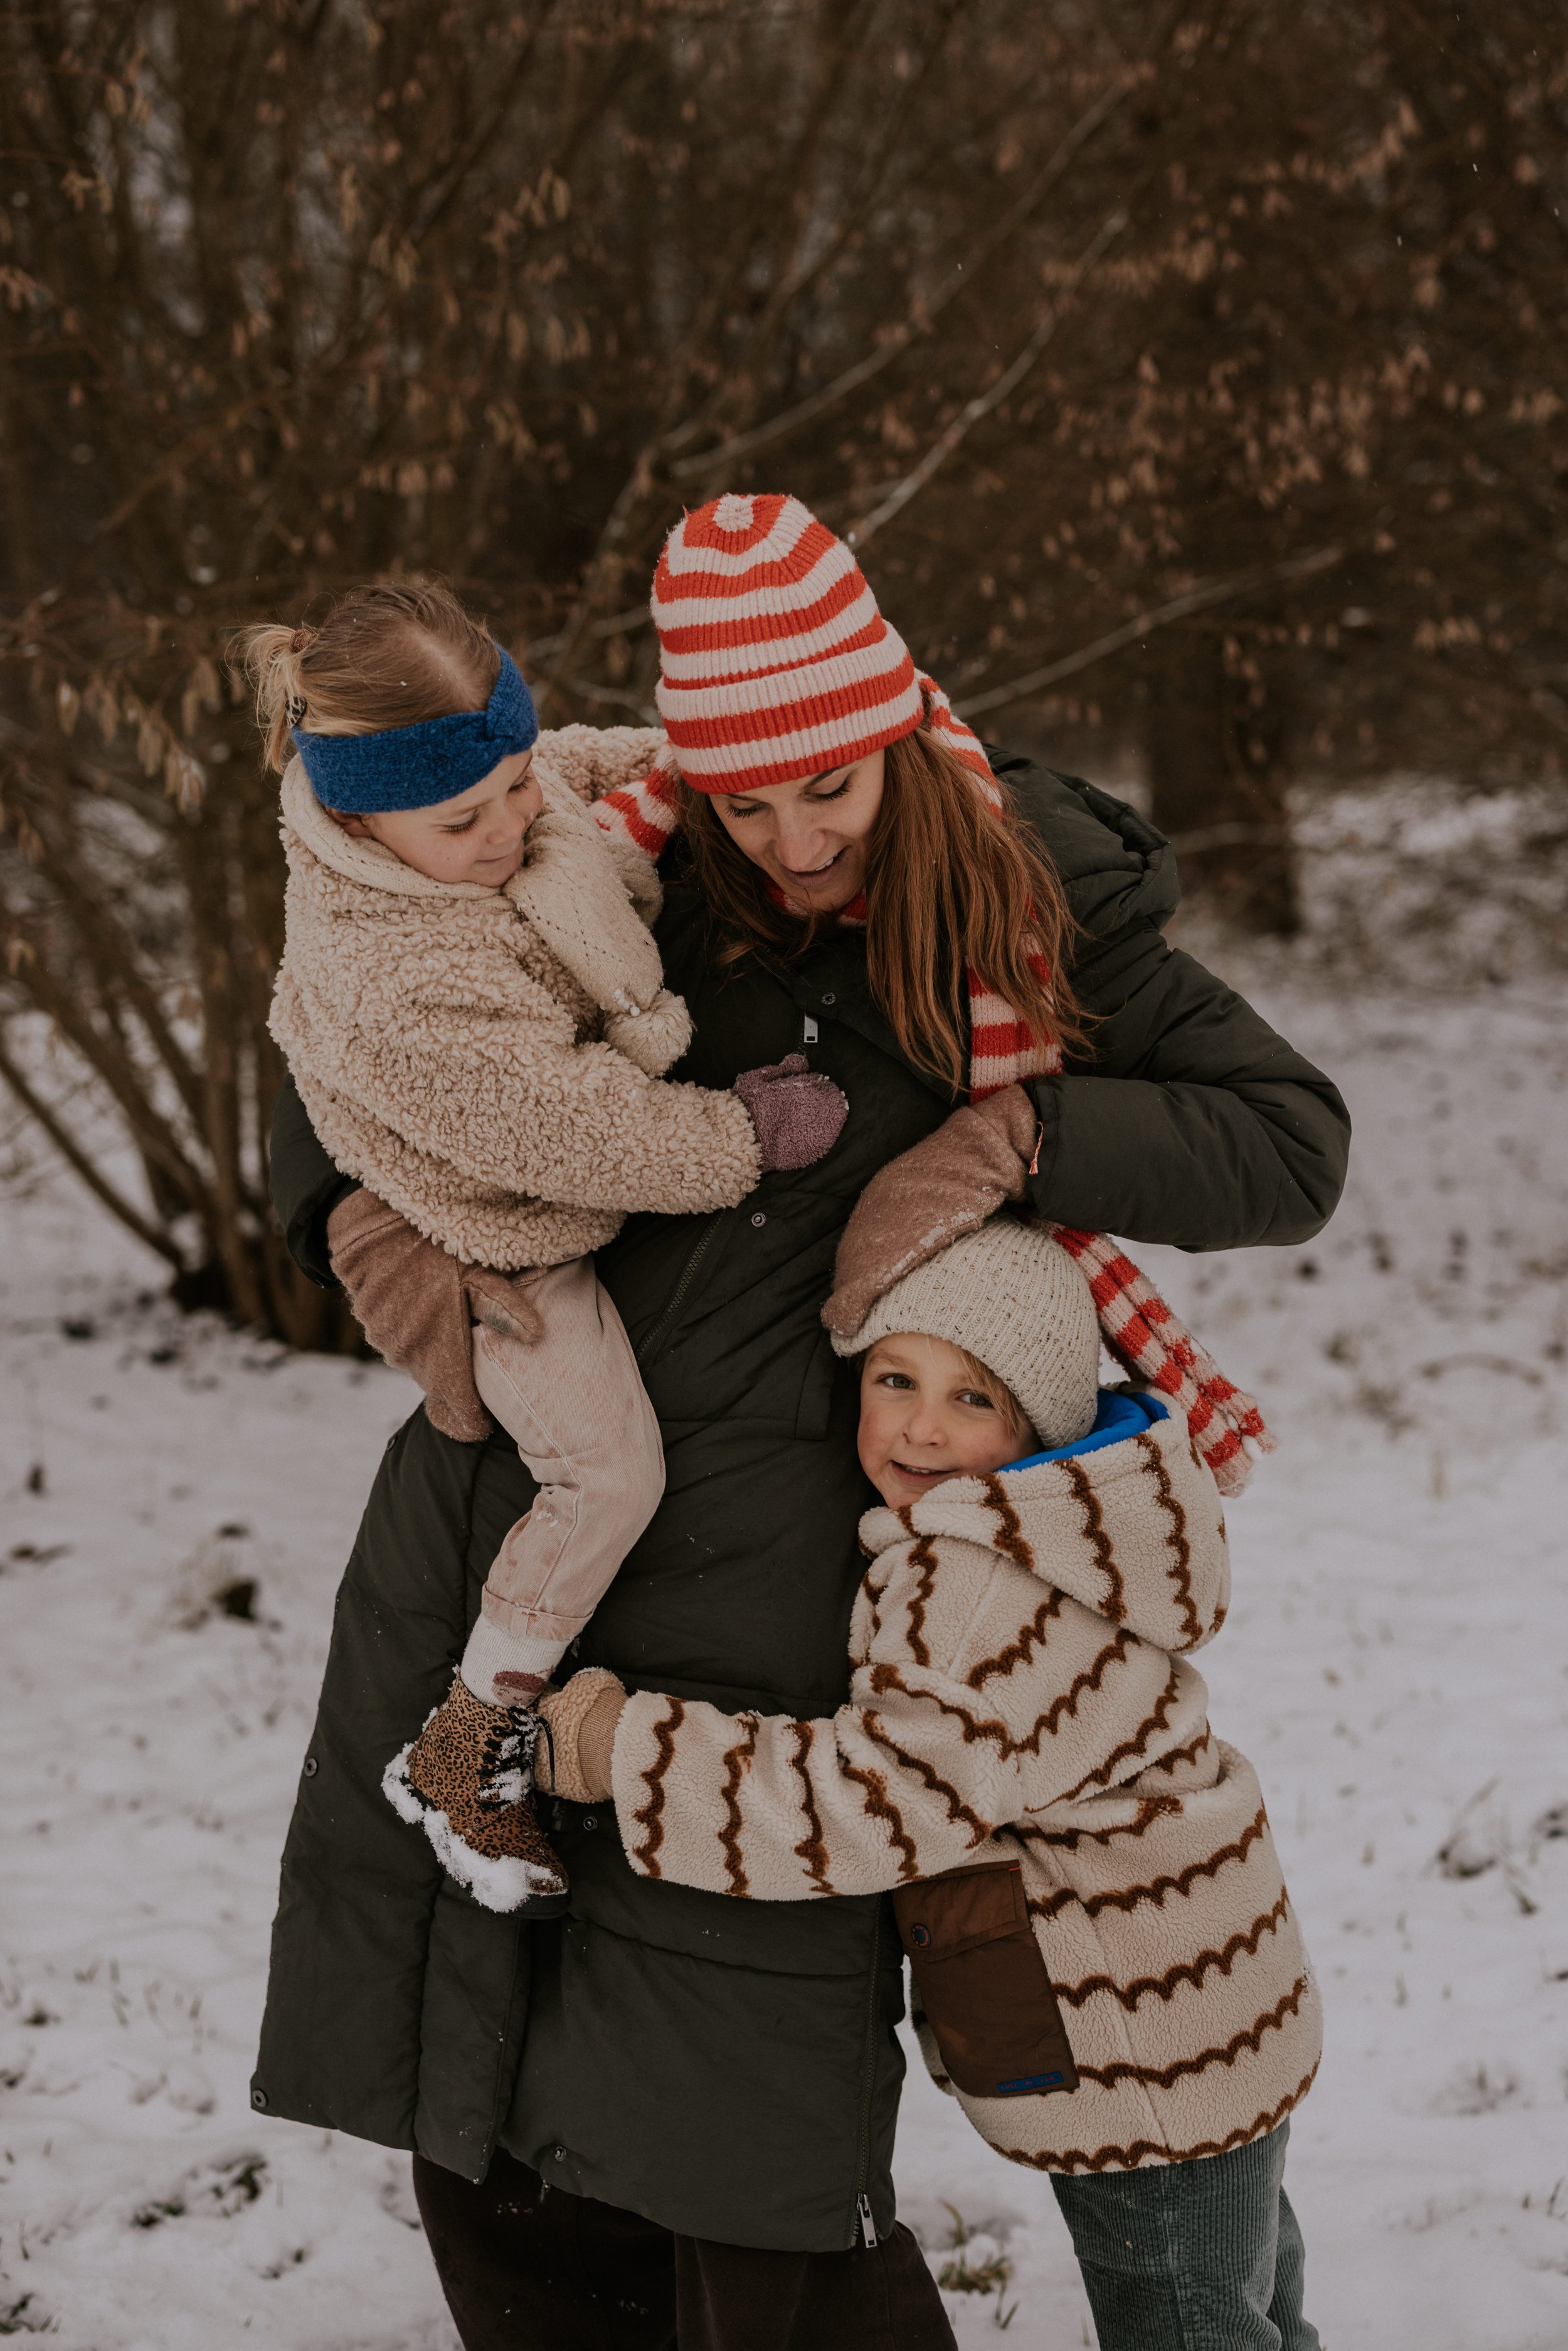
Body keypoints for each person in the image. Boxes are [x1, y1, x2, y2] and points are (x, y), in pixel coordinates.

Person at [251, 494, 1350, 2350]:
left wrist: (1021, 1132)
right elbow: (353, 1009)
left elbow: (1287, 1135)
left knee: (740, 2130)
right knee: (490, 2108)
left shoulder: (1024, 903)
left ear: (893, 731)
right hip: (508, 1527)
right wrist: (351, 1217)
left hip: (778, 1612)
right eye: (752, 798)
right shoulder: (630, 849)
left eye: (828, 785)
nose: (794, 835)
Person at [538, 1209, 1321, 2350]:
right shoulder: (1074, 1521)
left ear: (1039, 1418)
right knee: (1249, 2307)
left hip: (1145, 2048)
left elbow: (868, 1807)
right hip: (1211, 1999)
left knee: (1194, 2329)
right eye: (896, 1377)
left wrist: (627, 1750)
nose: (919, 1428)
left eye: (974, 1399)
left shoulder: (974, 1592)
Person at [240, 579, 845, 1913]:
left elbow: (581, 765)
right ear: (356, 814)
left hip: (540, 1153)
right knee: (604, 1471)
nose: (516, 823)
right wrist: (742, 1137)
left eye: (514, 782)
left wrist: (704, 764)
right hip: (498, 1232)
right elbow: (572, 1134)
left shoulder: (494, 799)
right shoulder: (392, 973)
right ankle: (468, 1739)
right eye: (467, 816)